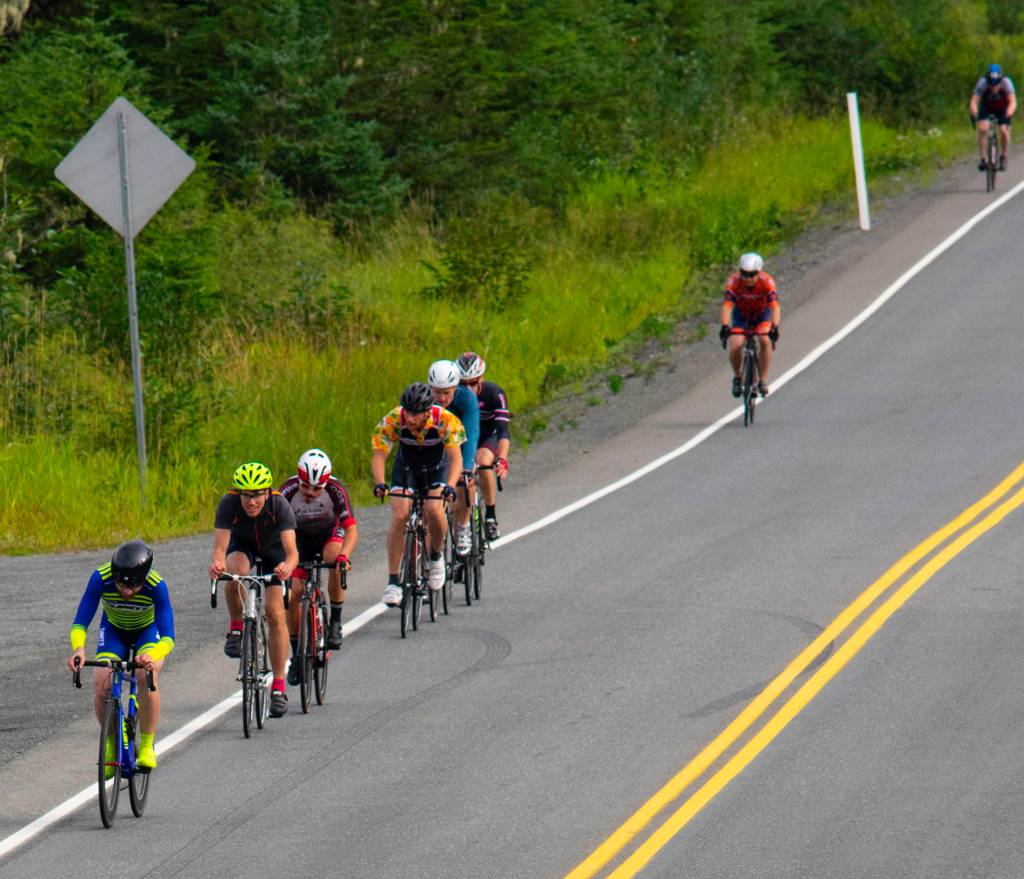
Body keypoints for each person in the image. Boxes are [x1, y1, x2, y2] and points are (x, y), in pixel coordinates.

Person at [67, 539, 174, 774]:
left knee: (145, 675)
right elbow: (80, 622)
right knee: (101, 682)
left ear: (144, 579)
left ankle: (146, 745)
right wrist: (78, 649)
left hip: (148, 632)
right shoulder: (101, 578)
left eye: (133, 586)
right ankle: (111, 744)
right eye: (121, 585)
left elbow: (168, 638)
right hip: (114, 631)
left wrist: (152, 655)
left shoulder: (157, 586)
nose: (126, 591)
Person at [209, 462, 298, 717]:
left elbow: (292, 553)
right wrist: (217, 563)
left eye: (258, 494)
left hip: (274, 552)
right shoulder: (228, 503)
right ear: (239, 494)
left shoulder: (280, 505)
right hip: (243, 546)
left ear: (267, 493)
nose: (252, 501)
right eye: (247, 495)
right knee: (234, 572)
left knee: (275, 613)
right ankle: (236, 627)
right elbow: (219, 547)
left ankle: (278, 687)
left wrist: (286, 567)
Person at [371, 382, 466, 607]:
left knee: (434, 509)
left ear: (427, 411)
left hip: (437, 467)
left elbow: (456, 460)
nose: (410, 418)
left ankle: (435, 556)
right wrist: (380, 482)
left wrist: (450, 486)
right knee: (400, 515)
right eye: (407, 412)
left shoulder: (445, 420)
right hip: (407, 468)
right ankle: (393, 581)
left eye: (415, 414)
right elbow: (379, 455)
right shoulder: (394, 419)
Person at [279, 448, 358, 686]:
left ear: (326, 482)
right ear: (298, 478)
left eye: (317, 488)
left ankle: (335, 620)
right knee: (294, 593)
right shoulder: (287, 491)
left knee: (334, 557)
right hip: (299, 537)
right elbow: (277, 531)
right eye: (306, 487)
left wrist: (345, 556)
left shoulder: (336, 490)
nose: (311, 493)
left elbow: (351, 528)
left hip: (328, 533)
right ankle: (297, 654)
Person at [427, 359, 479, 555]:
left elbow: (472, 432)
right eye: (436, 392)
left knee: (466, 482)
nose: (440, 398)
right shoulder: (423, 398)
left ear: (456, 388)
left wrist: (466, 467)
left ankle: (463, 525)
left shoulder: (466, 398)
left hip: (461, 443)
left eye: (446, 392)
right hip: (435, 448)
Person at [457, 351, 510, 540]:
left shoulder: (494, 393)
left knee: (483, 459)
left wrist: (502, 459)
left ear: (481, 378)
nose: (468, 389)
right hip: (464, 440)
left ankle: (490, 516)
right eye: (463, 384)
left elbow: (503, 431)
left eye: (473, 383)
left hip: (487, 438)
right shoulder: (454, 397)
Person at [719, 252, 781, 398]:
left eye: (752, 274)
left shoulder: (767, 282)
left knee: (765, 340)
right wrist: (725, 325)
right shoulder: (733, 281)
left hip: (762, 315)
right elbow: (727, 306)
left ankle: (762, 380)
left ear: (759, 272)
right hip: (742, 315)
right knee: (736, 344)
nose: (747, 278)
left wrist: (775, 326)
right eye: (744, 274)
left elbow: (775, 307)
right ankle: (737, 377)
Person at [970, 64, 1016, 172]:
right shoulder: (982, 83)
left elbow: (1013, 101)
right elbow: (974, 101)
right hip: (987, 107)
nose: (993, 87)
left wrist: (1008, 113)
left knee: (1004, 131)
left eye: (996, 85)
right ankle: (983, 159)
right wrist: (975, 113)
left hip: (1002, 108)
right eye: (991, 85)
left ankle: (1003, 156)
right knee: (983, 129)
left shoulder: (1006, 83)